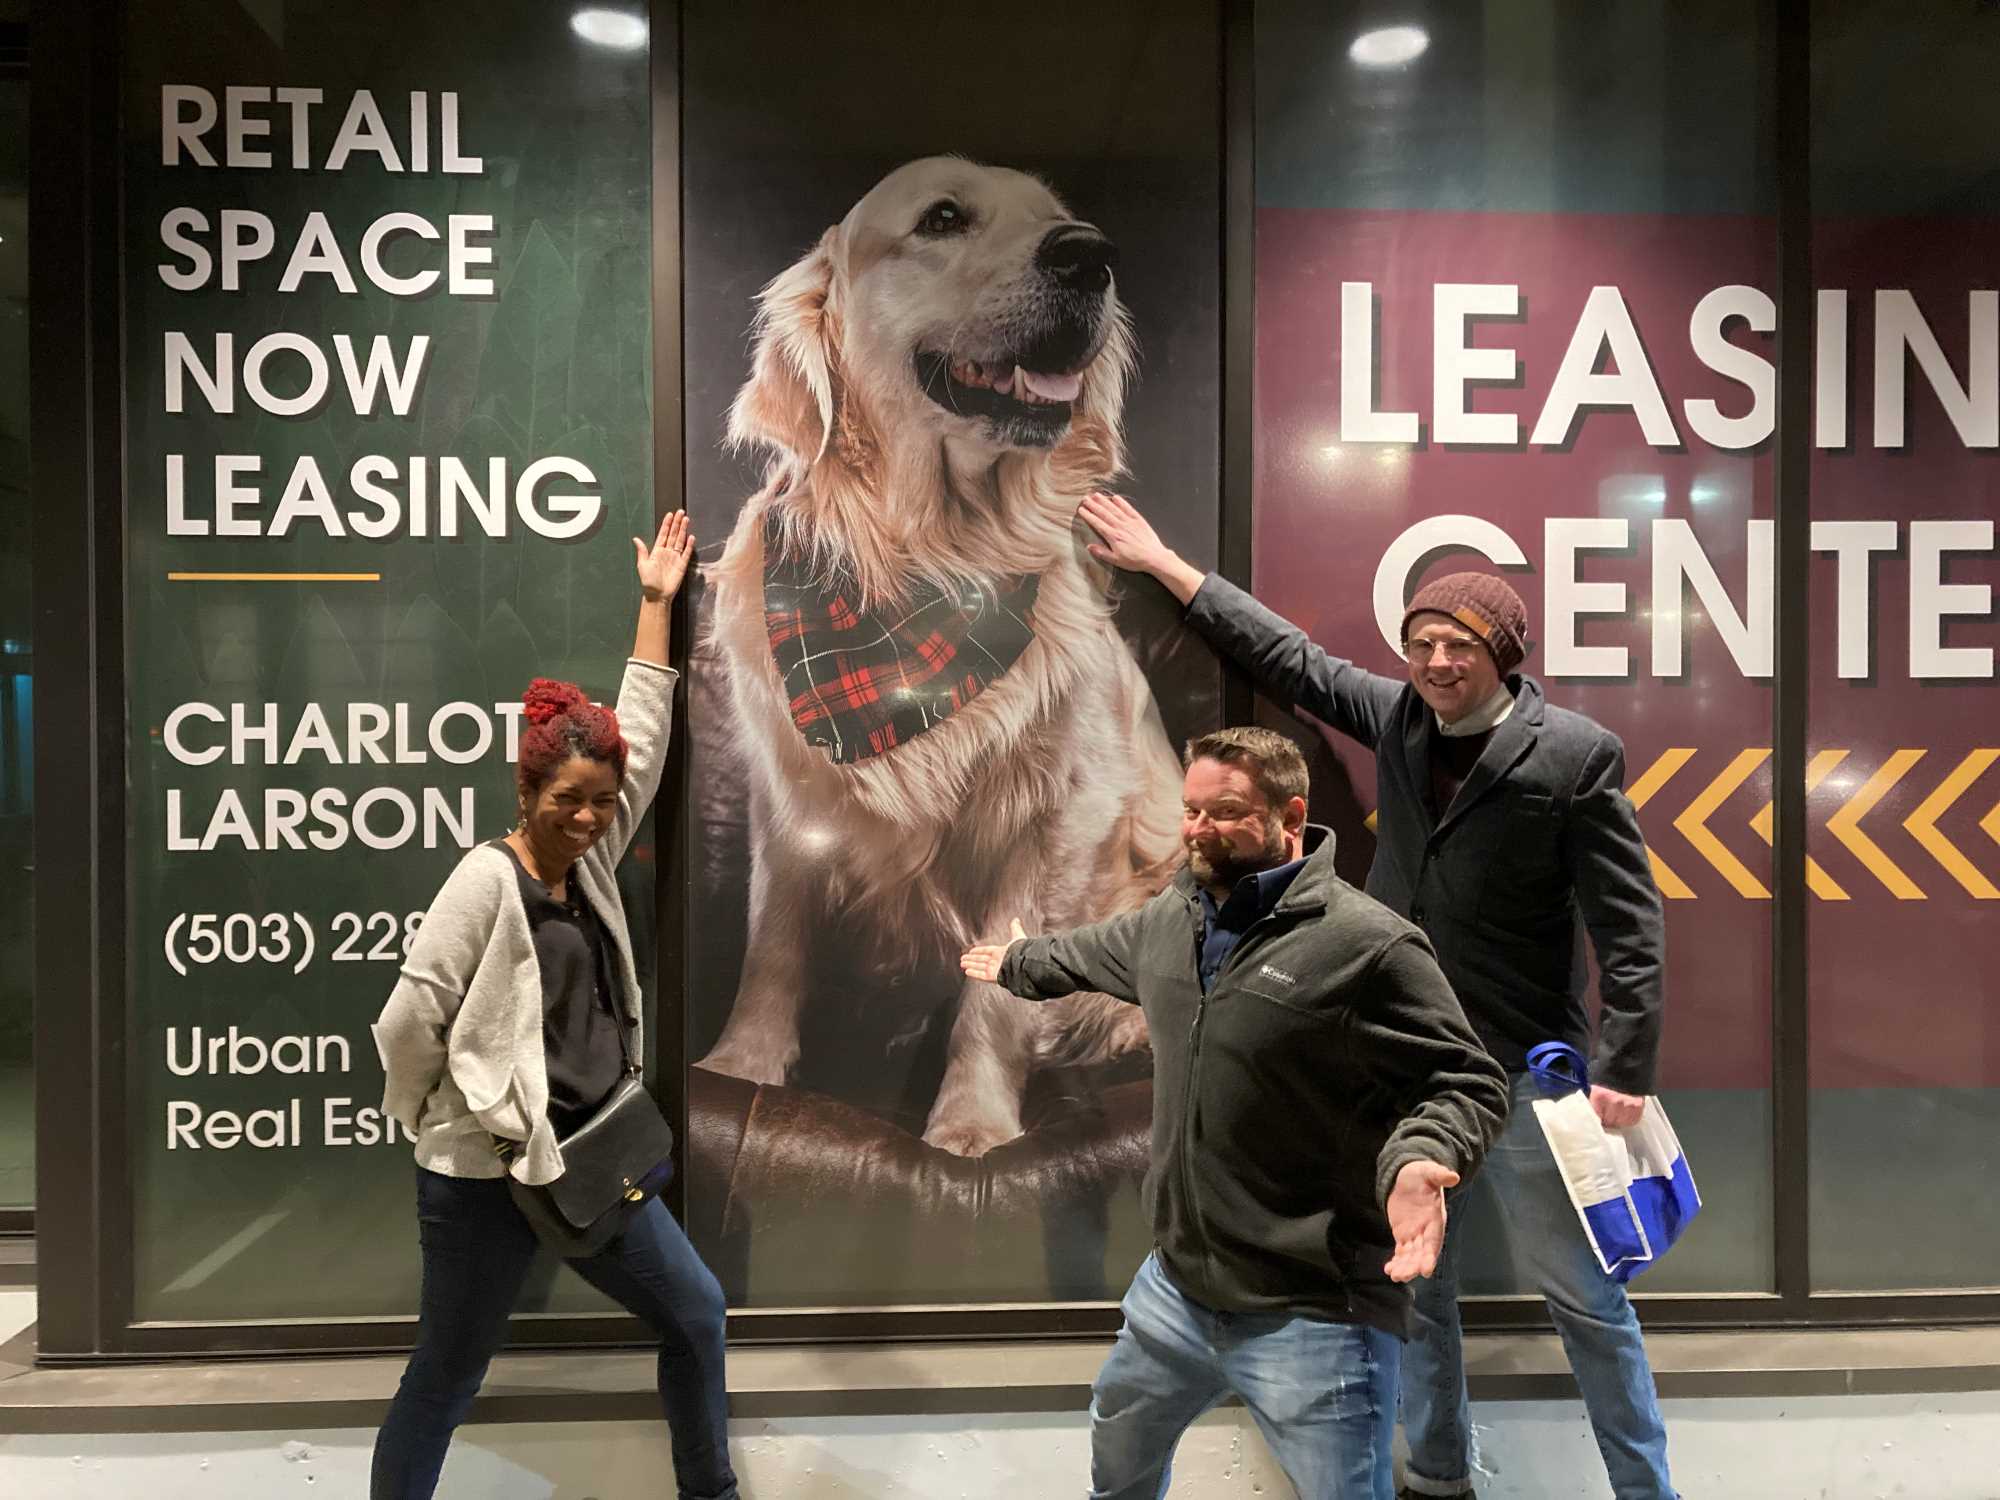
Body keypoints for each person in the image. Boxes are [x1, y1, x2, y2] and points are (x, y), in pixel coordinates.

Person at [1075, 490, 1676, 1500]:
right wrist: (1164, 564)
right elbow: (1292, 659)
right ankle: (1437, 1479)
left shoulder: (1572, 755)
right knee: (1416, 1294)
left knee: (1586, 1303)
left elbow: (1628, 922)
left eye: (1460, 646)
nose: (1437, 662)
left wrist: (1625, 1066)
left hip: (1527, 1075)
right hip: (1398, 1075)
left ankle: (1643, 1488)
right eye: (1421, 642)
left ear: (1503, 654)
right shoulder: (1397, 719)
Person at [960, 726, 1508, 1500]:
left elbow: (1467, 1079)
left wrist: (1420, 1156)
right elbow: (1087, 953)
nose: (1197, 829)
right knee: (1118, 1467)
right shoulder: (1172, 919)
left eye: (1224, 812)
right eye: (1190, 810)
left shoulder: (1368, 945)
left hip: (1313, 1316)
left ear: (1291, 815)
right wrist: (1017, 963)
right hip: (1174, 1294)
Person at [370, 512, 737, 1500]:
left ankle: (713, 1494)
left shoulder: (596, 868)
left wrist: (655, 607)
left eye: (599, 802)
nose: (585, 816)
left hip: (591, 1159)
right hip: (482, 1180)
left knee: (697, 1314)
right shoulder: (483, 883)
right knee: (446, 1374)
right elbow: (408, 1025)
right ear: (525, 786)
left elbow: (643, 745)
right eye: (565, 798)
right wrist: (433, 1116)